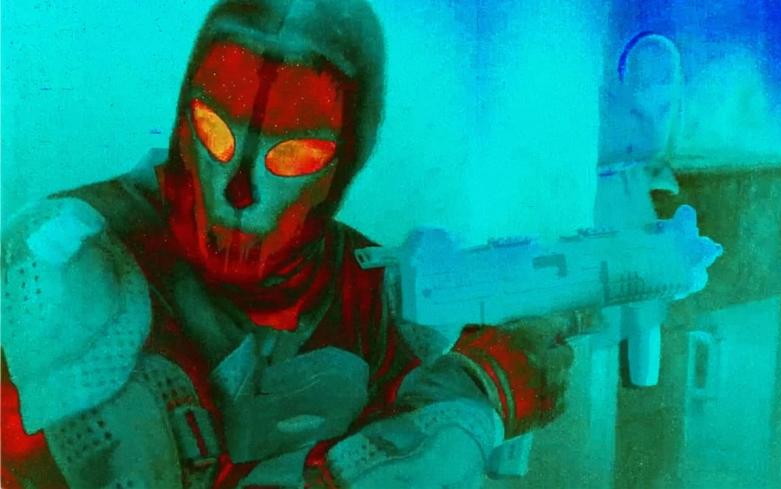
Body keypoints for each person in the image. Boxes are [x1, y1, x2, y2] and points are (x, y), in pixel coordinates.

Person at [1, 1, 575, 487]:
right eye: (214, 131)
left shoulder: (369, 292)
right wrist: (472, 404)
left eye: (292, 154)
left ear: (346, 164)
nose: (239, 189)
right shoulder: (66, 267)